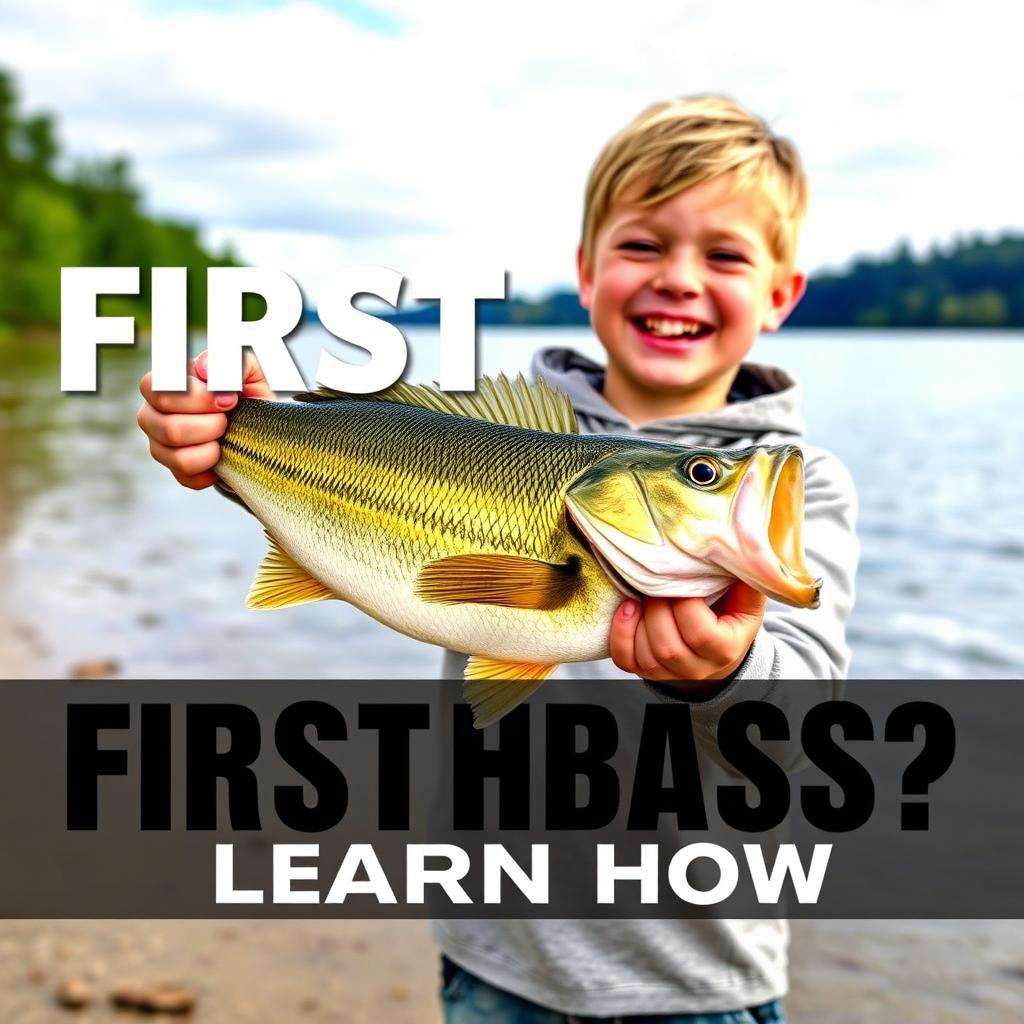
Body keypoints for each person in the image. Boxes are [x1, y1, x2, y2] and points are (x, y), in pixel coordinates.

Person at [138, 94, 858, 1023]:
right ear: (586, 270)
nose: (679, 278)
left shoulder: (807, 487)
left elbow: (800, 721)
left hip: (700, 980)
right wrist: (219, 444)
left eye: (724, 255)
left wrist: (725, 672)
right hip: (492, 960)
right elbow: (358, 520)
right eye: (642, 246)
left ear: (780, 295)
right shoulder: (473, 420)